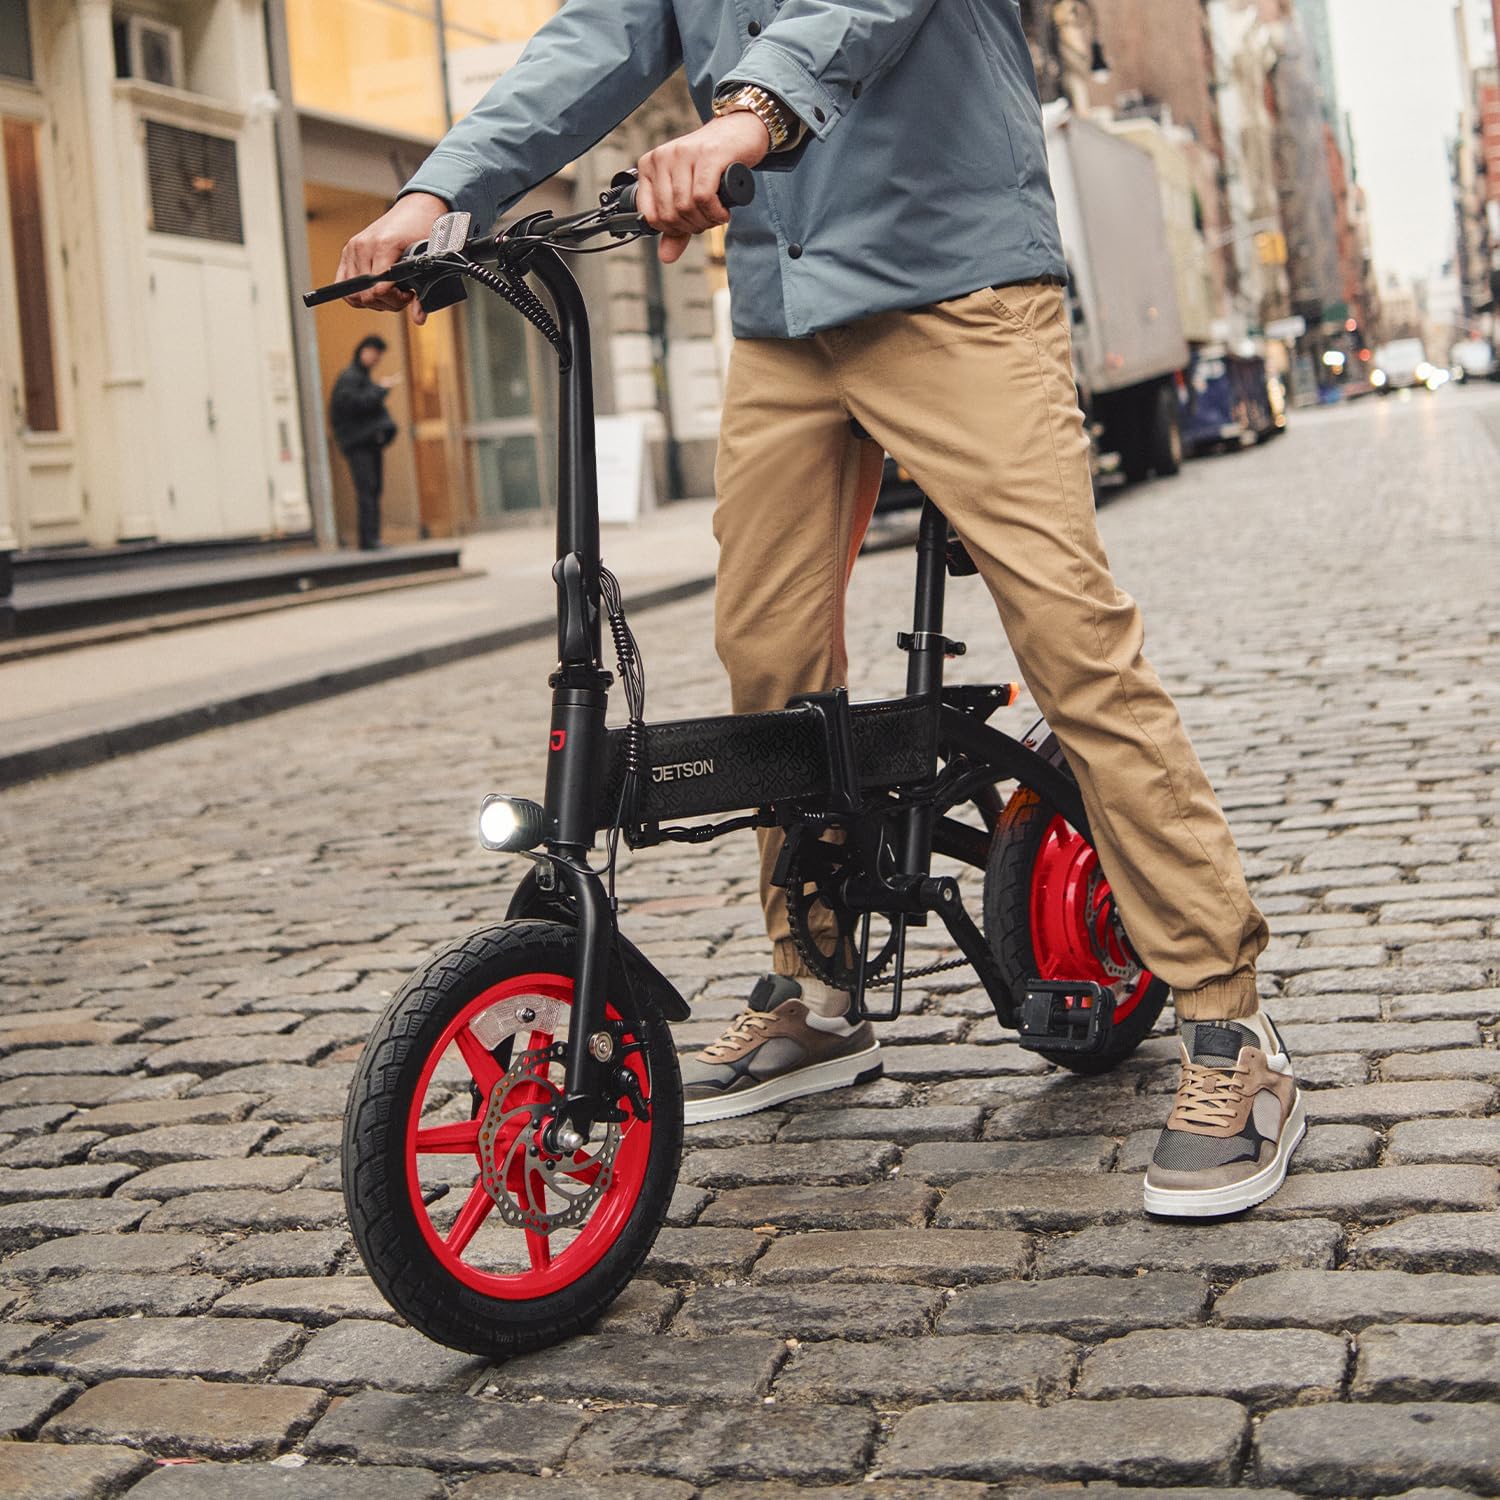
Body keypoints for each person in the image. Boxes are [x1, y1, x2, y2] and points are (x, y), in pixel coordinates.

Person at [336, 0, 1302, 1217]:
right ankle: (820, 986)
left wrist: (747, 113)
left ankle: (1230, 1022)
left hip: (957, 279)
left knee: (1073, 640)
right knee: (769, 658)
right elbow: (602, 34)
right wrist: (443, 194)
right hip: (786, 312)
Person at [329, 335, 398, 550]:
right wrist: (380, 389)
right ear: (365, 351)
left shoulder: (359, 377)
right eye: (376, 354)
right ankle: (369, 540)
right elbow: (355, 405)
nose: (377, 359)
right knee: (368, 490)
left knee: (372, 489)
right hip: (359, 443)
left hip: (365, 442)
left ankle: (371, 538)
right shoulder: (351, 377)